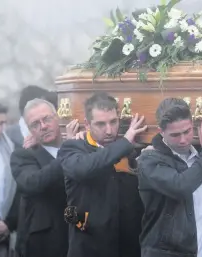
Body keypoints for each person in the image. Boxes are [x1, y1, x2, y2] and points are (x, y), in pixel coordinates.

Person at [57, 92, 146, 257]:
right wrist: (125, 142)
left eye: (113, 121)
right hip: (89, 247)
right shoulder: (72, 148)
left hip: (127, 247)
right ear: (87, 124)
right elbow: (84, 168)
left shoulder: (131, 148)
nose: (109, 130)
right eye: (100, 124)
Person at [137, 97, 202, 257]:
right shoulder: (149, 160)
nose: (183, 140)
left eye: (187, 131)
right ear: (161, 132)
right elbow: (181, 186)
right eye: (175, 135)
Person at [10, 99, 69, 257]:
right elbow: (32, 183)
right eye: (35, 124)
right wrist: (68, 152)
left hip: (80, 235)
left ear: (57, 117)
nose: (43, 126)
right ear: (30, 130)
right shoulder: (23, 155)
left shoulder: (77, 145)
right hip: (44, 243)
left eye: (47, 119)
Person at [0, 101, 20, 257]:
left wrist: (8, 223)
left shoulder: (13, 148)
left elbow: (19, 189)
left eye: (3, 123)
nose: (0, 129)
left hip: (6, 224)